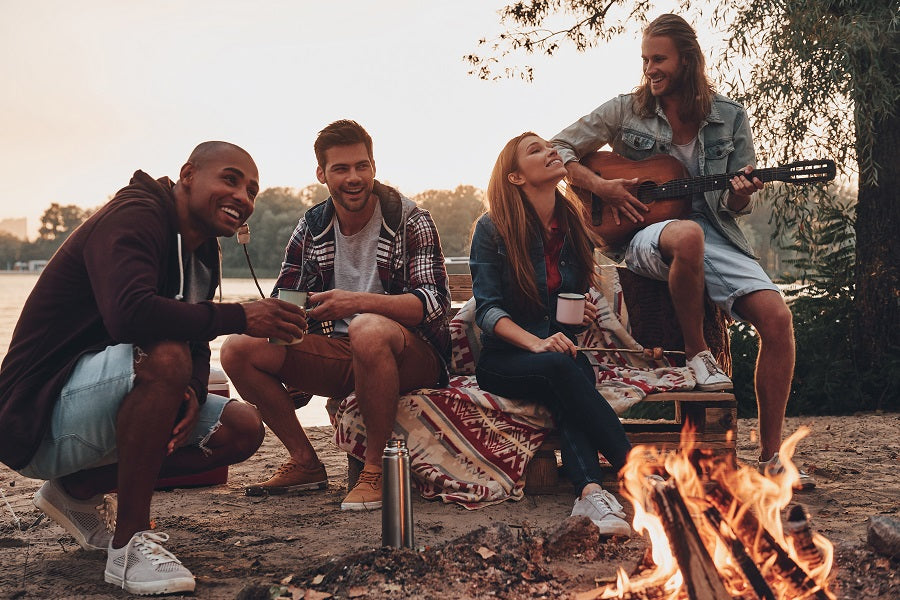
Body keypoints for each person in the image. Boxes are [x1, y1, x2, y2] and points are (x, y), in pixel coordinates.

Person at [0, 141, 309, 595]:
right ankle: (129, 546)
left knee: (241, 426)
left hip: (97, 406)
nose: (243, 197)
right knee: (166, 356)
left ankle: (76, 489)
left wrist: (195, 394)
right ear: (187, 175)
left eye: (252, 190)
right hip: (35, 416)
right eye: (230, 179)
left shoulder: (204, 253)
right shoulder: (135, 215)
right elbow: (130, 314)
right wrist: (241, 317)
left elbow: (198, 347)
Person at [550, 14, 813, 488]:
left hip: (716, 231)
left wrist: (742, 191)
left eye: (659, 59)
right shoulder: (626, 109)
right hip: (645, 235)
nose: (650, 68)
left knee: (778, 320)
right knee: (686, 234)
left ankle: (772, 456)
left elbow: (735, 202)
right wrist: (604, 188)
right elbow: (559, 149)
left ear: (687, 60)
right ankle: (697, 354)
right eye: (645, 59)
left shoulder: (729, 116)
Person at [221, 120, 450, 510]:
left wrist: (355, 302)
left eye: (362, 166)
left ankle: (374, 470)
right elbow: (284, 300)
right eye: (341, 169)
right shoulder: (311, 226)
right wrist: (286, 317)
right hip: (341, 352)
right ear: (322, 174)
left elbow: (432, 304)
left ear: (374, 167)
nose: (354, 177)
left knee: (367, 328)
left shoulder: (409, 219)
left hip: (412, 354)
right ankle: (305, 462)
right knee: (236, 349)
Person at [470, 132, 634, 536]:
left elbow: (566, 303)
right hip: (505, 360)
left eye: (549, 146)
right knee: (565, 370)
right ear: (515, 178)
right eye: (535, 150)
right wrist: (537, 343)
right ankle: (639, 473)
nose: (551, 152)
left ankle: (591, 494)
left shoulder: (572, 225)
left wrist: (583, 312)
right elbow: (487, 311)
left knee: (569, 376)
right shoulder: (492, 229)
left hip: (561, 357)